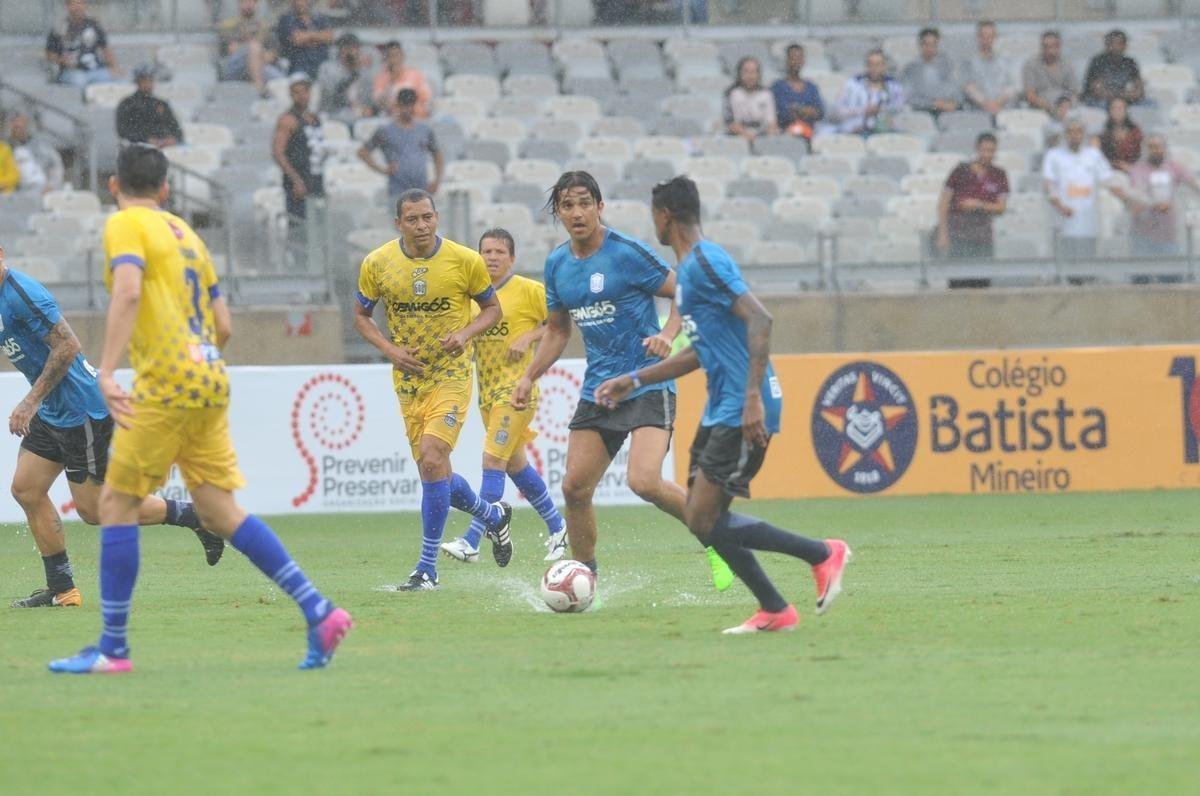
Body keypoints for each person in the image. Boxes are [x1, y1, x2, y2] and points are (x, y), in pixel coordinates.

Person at [48, 145, 352, 673]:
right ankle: (319, 611)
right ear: (166, 188)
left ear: (115, 185)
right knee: (218, 511)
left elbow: (127, 292)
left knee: (114, 505)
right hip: (209, 377)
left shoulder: (126, 225)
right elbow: (224, 324)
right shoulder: (189, 236)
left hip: (166, 382)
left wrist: (107, 370)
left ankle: (113, 650)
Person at [594, 176, 850, 634]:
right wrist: (634, 380)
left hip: (744, 407)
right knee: (702, 519)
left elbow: (761, 319)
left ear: (665, 216)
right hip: (722, 408)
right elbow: (699, 352)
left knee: (703, 517)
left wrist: (751, 399)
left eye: (654, 215)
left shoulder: (706, 262)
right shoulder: (691, 271)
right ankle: (775, 608)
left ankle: (822, 554)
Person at [511, 171, 734, 596]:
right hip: (600, 388)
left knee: (644, 482)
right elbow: (557, 331)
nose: (577, 213)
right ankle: (585, 581)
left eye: (584, 203)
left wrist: (668, 335)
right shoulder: (557, 265)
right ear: (558, 213)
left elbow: (684, 290)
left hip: (646, 382)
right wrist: (528, 376)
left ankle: (715, 537)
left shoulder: (627, 253)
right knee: (575, 488)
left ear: (600, 207)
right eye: (567, 206)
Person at [1, 243, 225, 610]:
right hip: (55, 410)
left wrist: (30, 402)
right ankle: (62, 589)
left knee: (93, 511)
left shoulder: (22, 295)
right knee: (26, 489)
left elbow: (68, 346)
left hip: (81, 411)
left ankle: (196, 516)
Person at [352, 189, 514, 591]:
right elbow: (361, 316)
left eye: (427, 217)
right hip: (409, 381)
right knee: (434, 470)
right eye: (412, 219)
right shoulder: (377, 263)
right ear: (398, 224)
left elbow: (493, 309)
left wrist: (466, 333)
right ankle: (492, 516)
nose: (421, 225)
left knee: (432, 456)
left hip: (451, 373)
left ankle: (427, 568)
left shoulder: (465, 260)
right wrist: (390, 350)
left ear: (436, 217)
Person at [440, 228, 568, 565]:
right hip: (487, 395)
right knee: (514, 464)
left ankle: (472, 541)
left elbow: (561, 323)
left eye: (499, 252)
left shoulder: (529, 290)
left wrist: (529, 336)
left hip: (517, 393)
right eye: (487, 251)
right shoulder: (475, 300)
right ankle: (558, 527)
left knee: (492, 461)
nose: (492, 257)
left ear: (512, 258)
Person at [1042, 114, 1134, 260]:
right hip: (1063, 221)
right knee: (1065, 263)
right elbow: (1049, 184)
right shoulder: (1054, 155)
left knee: (1087, 263)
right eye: (1070, 131)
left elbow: (1109, 181)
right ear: (1065, 134)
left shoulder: (1094, 155)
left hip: (1088, 222)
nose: (1074, 135)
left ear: (1084, 134)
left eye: (1078, 131)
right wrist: (1060, 206)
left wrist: (1128, 200)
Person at [937, 132, 1009, 286]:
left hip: (982, 238)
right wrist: (943, 234)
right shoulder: (960, 171)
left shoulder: (999, 175)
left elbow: (1001, 207)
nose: (987, 154)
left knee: (982, 283)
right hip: (958, 236)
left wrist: (978, 205)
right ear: (977, 149)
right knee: (957, 283)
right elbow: (943, 203)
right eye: (984, 150)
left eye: (991, 151)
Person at [357, 88, 441, 203]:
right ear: (397, 105)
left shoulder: (424, 130)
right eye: (405, 105)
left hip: (422, 191)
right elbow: (362, 152)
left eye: (411, 104)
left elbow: (437, 154)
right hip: (398, 192)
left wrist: (437, 180)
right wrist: (382, 169)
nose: (409, 109)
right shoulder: (385, 131)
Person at [1126, 134, 1200, 258]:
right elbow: (1136, 195)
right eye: (1151, 147)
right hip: (1142, 234)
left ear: (1164, 149)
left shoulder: (1173, 167)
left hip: (1168, 233)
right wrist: (1153, 205)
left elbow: (1193, 183)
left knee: (1171, 268)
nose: (1155, 150)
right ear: (1145, 150)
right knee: (1141, 268)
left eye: (1158, 146)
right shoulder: (1138, 170)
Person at [272, 73, 325, 227]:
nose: (302, 96)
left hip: (316, 179)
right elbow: (278, 152)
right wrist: (295, 179)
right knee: (300, 229)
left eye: (305, 91)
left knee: (319, 227)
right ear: (291, 94)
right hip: (298, 184)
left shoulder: (314, 118)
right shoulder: (288, 120)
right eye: (297, 92)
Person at [45, 0, 120, 89]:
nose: (77, 7)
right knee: (80, 82)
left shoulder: (94, 25)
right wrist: (61, 60)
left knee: (119, 81)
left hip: (95, 69)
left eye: (80, 3)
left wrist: (114, 67)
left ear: (85, 5)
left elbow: (106, 49)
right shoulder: (59, 27)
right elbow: (49, 54)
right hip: (71, 72)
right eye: (73, 4)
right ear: (67, 6)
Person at [216, 0, 284, 98]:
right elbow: (232, 49)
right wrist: (254, 49)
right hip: (233, 67)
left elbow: (271, 56)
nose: (249, 4)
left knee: (280, 80)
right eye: (245, 1)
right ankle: (259, 88)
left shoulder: (264, 26)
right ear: (239, 3)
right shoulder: (230, 25)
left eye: (252, 1)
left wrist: (255, 57)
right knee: (254, 47)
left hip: (259, 66)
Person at [831, 49, 906, 136]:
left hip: (885, 132)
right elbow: (837, 111)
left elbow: (900, 110)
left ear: (884, 66)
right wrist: (863, 111)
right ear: (866, 66)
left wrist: (882, 111)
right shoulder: (852, 85)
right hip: (856, 131)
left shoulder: (894, 87)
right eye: (870, 64)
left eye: (878, 64)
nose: (874, 68)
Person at [115, 65, 184, 148]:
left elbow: (176, 127)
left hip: (166, 146)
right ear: (138, 82)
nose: (148, 84)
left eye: (150, 80)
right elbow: (123, 131)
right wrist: (146, 140)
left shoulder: (161, 103)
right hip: (139, 147)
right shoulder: (127, 104)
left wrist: (172, 139)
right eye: (144, 81)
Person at [317, 32, 376, 126]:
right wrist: (353, 74)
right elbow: (332, 96)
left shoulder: (364, 71)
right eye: (346, 47)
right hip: (333, 114)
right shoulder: (328, 68)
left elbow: (369, 100)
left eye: (354, 47)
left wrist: (368, 109)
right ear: (339, 49)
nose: (350, 51)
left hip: (359, 117)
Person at [900, 28, 961, 116]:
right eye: (926, 44)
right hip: (922, 113)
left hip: (949, 111)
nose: (930, 48)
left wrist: (954, 103)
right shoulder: (910, 69)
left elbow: (957, 90)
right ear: (920, 45)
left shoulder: (948, 65)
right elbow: (908, 97)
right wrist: (933, 103)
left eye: (934, 44)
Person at [770, 44, 824, 141]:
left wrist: (798, 109)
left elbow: (819, 111)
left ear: (803, 61)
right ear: (787, 61)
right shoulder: (778, 86)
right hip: (786, 133)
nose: (796, 62)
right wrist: (806, 111)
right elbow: (782, 113)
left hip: (811, 132)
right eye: (793, 58)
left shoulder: (811, 87)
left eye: (799, 58)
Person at [6, 109, 66, 195]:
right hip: (18, 194)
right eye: (15, 126)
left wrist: (51, 185)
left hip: (43, 191)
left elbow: (56, 166)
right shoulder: (6, 148)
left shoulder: (41, 146)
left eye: (22, 124)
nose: (18, 127)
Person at [962, 20, 1014, 116]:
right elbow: (968, 87)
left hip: (1001, 110)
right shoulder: (968, 62)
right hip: (978, 112)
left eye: (990, 36)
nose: (987, 39)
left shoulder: (1005, 60)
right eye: (983, 36)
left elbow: (1010, 86)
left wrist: (997, 103)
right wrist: (986, 103)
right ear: (978, 37)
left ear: (995, 37)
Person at [1082, 30, 1144, 108]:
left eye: (1120, 43)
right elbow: (1098, 91)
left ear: (1125, 45)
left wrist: (1124, 98)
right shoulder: (1098, 61)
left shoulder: (1130, 62)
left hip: (1123, 100)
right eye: (1112, 43)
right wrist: (1120, 98)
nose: (1115, 47)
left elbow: (1139, 90)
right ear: (1107, 45)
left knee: (1149, 105)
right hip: (1100, 101)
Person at [371, 40, 432, 119]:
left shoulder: (415, 75)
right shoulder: (381, 78)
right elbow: (379, 104)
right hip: (393, 120)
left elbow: (426, 99)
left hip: (416, 118)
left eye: (396, 55)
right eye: (391, 56)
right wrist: (391, 82)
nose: (394, 60)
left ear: (402, 56)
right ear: (386, 58)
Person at [723, 56, 778, 143]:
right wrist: (747, 135)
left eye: (753, 72)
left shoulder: (766, 94)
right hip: (738, 137)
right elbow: (731, 124)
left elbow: (771, 123)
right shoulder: (732, 94)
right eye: (746, 72)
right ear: (739, 74)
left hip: (762, 136)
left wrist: (767, 136)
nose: (750, 76)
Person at [275, 0, 334, 80]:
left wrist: (308, 36)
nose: (301, 2)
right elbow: (297, 39)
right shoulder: (286, 18)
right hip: (299, 65)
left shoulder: (319, 17)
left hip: (322, 63)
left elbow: (329, 37)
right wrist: (318, 37)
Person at [1023, 31, 1078, 114]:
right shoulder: (1031, 65)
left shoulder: (1067, 65)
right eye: (1046, 47)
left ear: (1059, 47)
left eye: (1053, 46)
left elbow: (1074, 92)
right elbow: (1030, 95)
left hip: (1064, 107)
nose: (1049, 51)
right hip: (1039, 109)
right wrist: (1051, 108)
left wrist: (1066, 106)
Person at [1098, 97, 1142, 172]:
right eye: (1114, 108)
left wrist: (1131, 168)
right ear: (1109, 111)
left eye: (1120, 108)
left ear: (1126, 111)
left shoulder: (1135, 132)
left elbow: (1139, 155)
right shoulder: (1104, 133)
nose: (1117, 111)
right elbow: (1101, 157)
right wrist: (1117, 165)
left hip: (1132, 170)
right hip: (1108, 170)